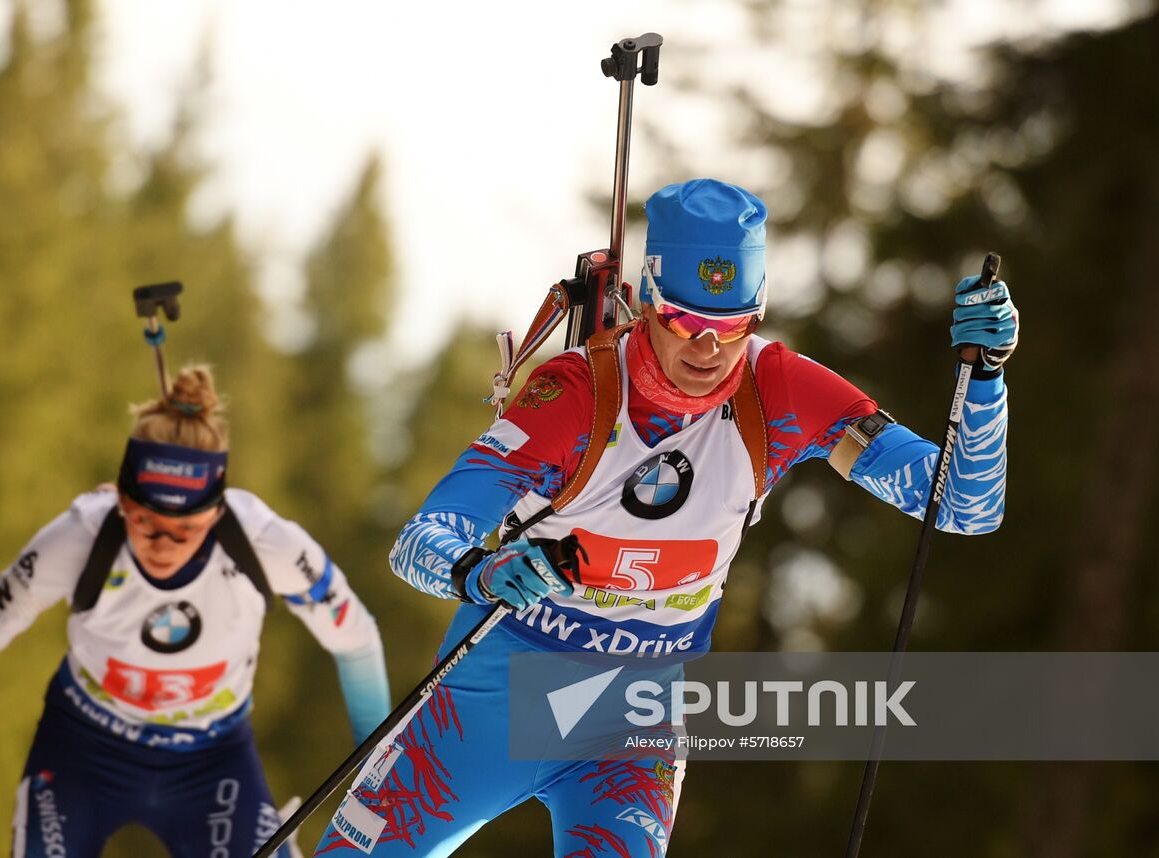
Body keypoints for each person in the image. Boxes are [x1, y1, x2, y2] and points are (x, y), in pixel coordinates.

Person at [318, 179, 1016, 856]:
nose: (707, 351)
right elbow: (421, 541)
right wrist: (481, 570)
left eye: (732, 326)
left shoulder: (780, 395)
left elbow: (961, 506)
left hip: (632, 720)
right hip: (495, 699)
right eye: (686, 322)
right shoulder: (575, 395)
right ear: (648, 300)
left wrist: (984, 377)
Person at [0, 364, 391, 858]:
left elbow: (357, 638)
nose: (164, 544)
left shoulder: (265, 543)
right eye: (145, 522)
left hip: (212, 762)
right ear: (121, 499)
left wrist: (375, 761)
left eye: (186, 529)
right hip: (85, 750)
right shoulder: (82, 535)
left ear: (216, 512)